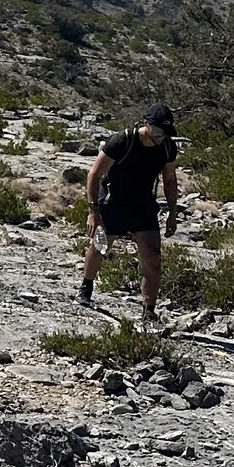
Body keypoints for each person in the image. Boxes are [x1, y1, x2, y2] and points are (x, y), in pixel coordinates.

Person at [82, 102, 181, 329]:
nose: (159, 137)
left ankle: (149, 311)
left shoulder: (167, 148)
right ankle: (86, 286)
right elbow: (94, 175)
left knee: (152, 256)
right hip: (113, 203)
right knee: (99, 247)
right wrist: (93, 212)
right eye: (157, 132)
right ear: (145, 124)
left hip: (143, 206)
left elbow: (170, 179)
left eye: (164, 134)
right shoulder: (122, 141)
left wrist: (173, 213)